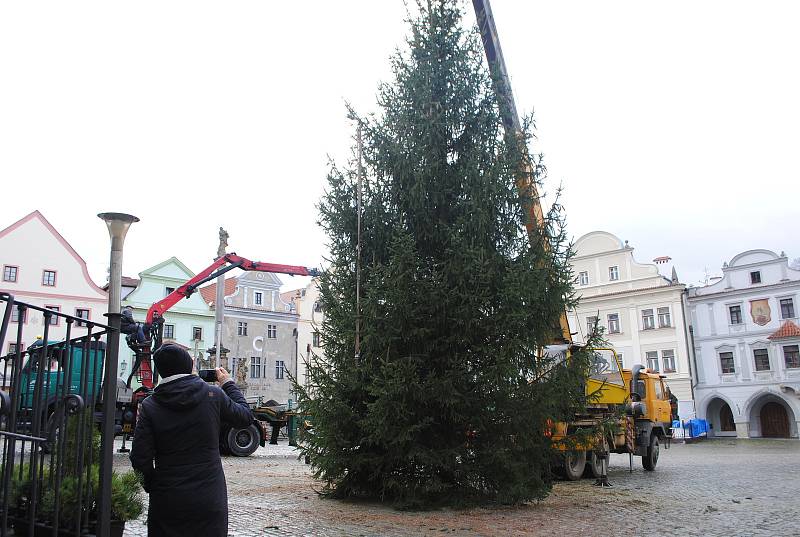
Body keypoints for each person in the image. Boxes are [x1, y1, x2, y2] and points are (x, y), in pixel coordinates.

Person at [130, 344, 253, 537]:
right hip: (209, 494)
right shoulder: (213, 395)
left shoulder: (150, 405)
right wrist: (228, 383)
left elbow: (139, 457)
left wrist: (155, 486)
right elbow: (245, 416)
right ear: (190, 365)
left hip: (168, 497)